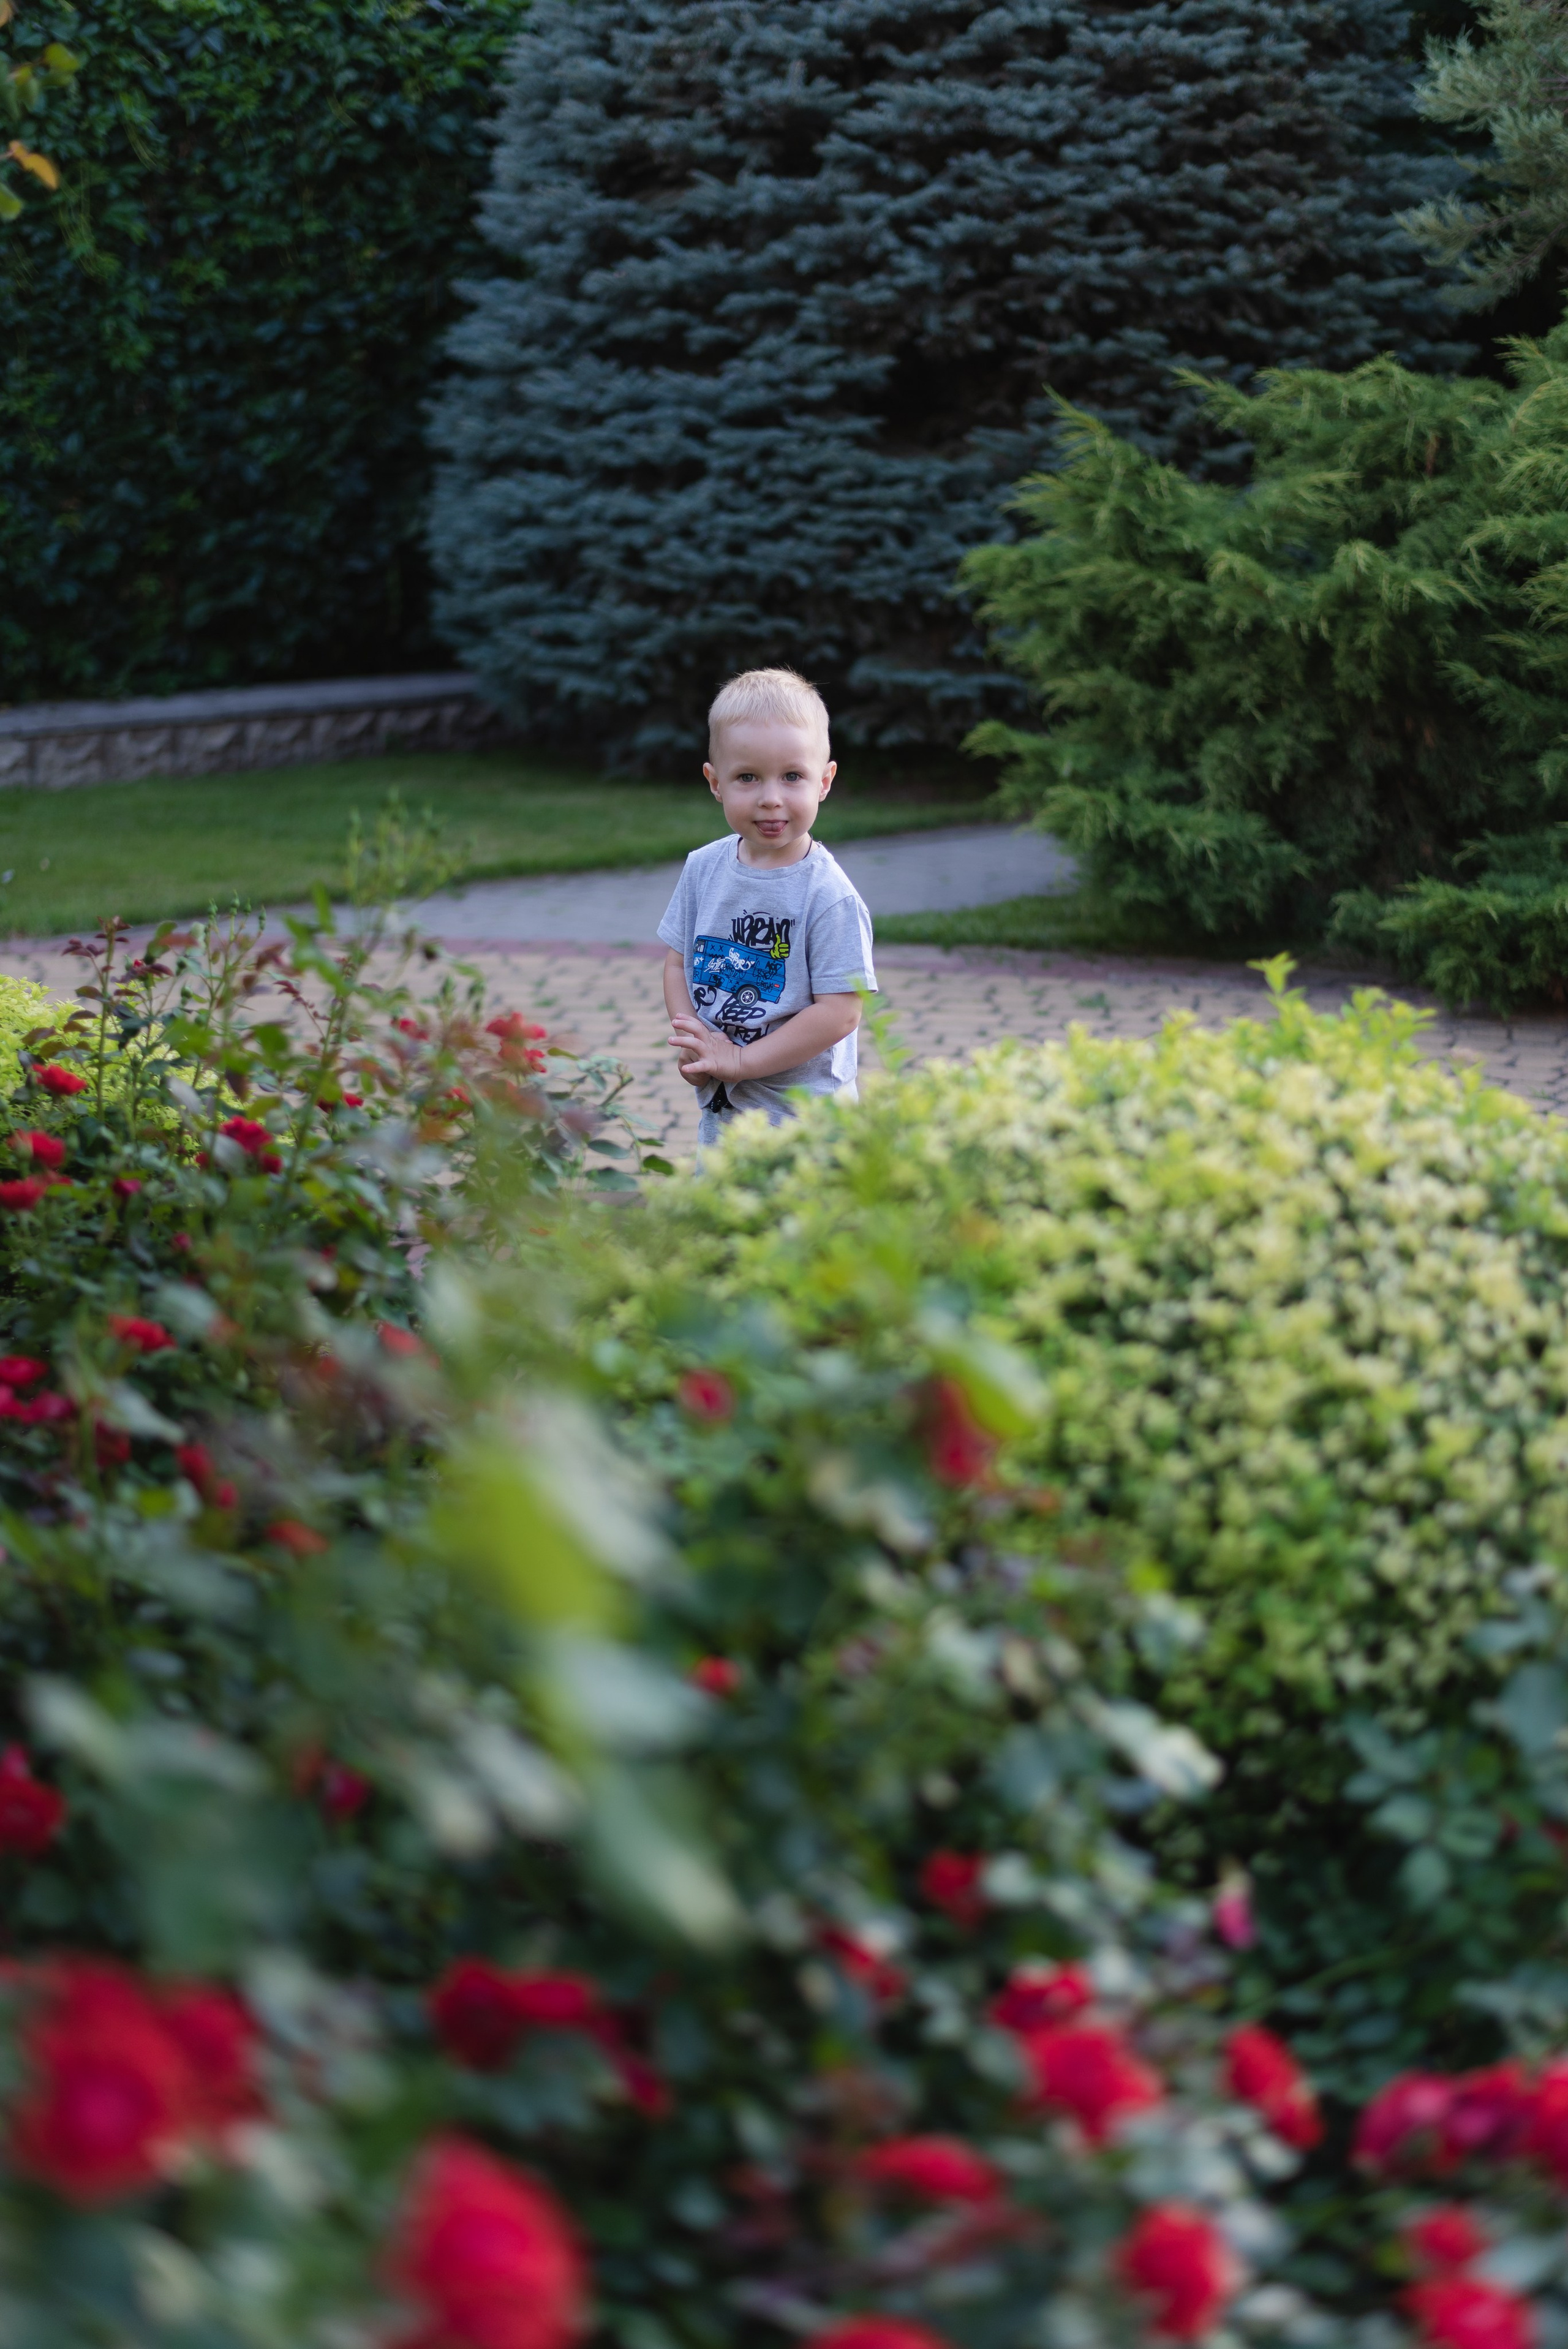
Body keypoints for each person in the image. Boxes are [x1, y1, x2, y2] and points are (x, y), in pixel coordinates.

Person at [658, 667, 876, 1153]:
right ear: (715, 782)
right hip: (726, 1108)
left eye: (793, 776)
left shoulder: (827, 895)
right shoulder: (703, 869)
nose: (771, 799)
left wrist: (743, 1062)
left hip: (805, 1120)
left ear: (825, 780)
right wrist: (696, 1042)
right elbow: (678, 963)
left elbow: (841, 1013)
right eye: (748, 777)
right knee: (724, 1220)